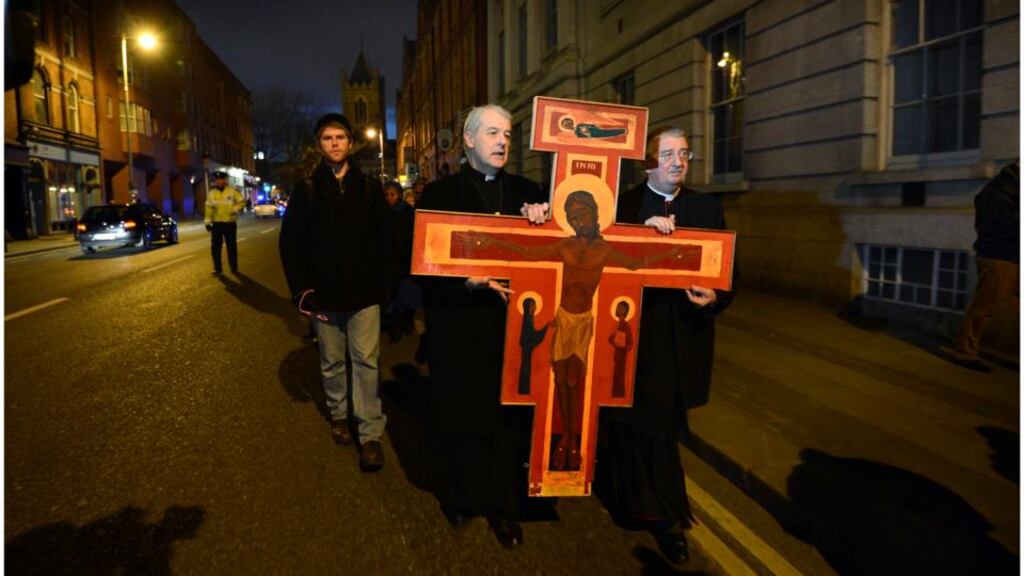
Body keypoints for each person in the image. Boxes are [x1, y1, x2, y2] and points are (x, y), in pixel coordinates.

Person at [595, 126, 733, 564]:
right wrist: (638, 232)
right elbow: (594, 258)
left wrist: (715, 298)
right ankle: (667, 517)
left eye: (685, 154)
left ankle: (636, 503)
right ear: (648, 162)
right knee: (645, 425)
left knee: (660, 425)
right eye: (668, 154)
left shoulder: (707, 208)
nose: (678, 162)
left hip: (684, 339)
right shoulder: (623, 206)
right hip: (633, 338)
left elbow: (727, 275)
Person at [416, 103, 549, 549]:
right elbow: (421, 268)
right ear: (469, 140)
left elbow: (561, 251)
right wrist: (464, 281)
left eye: (508, 134)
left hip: (516, 330)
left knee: (510, 424)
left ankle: (505, 507)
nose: (503, 142)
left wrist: (546, 219)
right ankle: (463, 498)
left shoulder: (529, 193)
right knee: (464, 419)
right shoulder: (438, 197)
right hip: (461, 330)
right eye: (492, 133)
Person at [279, 112, 392, 472]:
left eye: (340, 137)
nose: (334, 144)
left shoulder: (369, 187)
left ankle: (370, 434)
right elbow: (291, 243)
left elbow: (385, 239)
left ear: (350, 142)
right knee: (331, 361)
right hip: (323, 296)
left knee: (367, 362)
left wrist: (385, 285)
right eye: (327, 138)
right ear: (319, 145)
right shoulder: (307, 189)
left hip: (364, 295)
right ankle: (340, 414)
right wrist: (301, 290)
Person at [952, 161, 1020, 372]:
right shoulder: (996, 191)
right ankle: (964, 352)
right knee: (985, 307)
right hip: (999, 257)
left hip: (1012, 255)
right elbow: (1000, 225)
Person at [383, 180, 418, 342]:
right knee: (392, 298)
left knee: (408, 296)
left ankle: (408, 322)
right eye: (387, 195)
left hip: (406, 259)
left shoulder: (407, 212)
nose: (390, 198)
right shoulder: (382, 212)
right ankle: (394, 327)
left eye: (393, 194)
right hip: (389, 262)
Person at [204, 170, 245, 275]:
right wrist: (207, 222)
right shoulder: (212, 194)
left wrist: (234, 209)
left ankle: (233, 268)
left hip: (229, 223)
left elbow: (242, 201)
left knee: (231, 246)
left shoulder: (232, 191)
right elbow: (209, 208)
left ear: (225, 180)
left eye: (221, 179)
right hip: (217, 224)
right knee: (215, 247)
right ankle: (217, 268)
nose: (219, 181)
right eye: (217, 180)